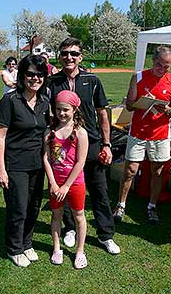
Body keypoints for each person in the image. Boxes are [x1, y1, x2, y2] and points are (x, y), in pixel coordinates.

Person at [49, 37, 120, 254]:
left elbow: (102, 114)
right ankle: (70, 228)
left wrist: (106, 144)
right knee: (67, 189)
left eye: (73, 54)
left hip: (91, 144)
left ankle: (105, 235)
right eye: (64, 53)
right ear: (59, 56)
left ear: (81, 57)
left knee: (99, 190)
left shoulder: (93, 80)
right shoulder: (52, 82)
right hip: (64, 147)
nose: (68, 57)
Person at [0, 54, 49, 267]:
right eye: (30, 74)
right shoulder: (10, 100)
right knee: (18, 207)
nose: (35, 78)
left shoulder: (44, 101)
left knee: (34, 206)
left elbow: (45, 132)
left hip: (38, 164)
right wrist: (1, 169)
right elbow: (0, 136)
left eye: (40, 75)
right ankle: (14, 248)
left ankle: (27, 243)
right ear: (22, 75)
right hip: (15, 164)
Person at [113, 46, 171, 224]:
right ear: (153, 61)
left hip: (161, 133)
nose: (163, 70)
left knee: (158, 171)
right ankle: (121, 205)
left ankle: (152, 206)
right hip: (138, 132)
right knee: (130, 170)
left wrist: (168, 109)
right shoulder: (138, 77)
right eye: (160, 65)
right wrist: (142, 103)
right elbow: (129, 105)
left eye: (167, 67)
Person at [43, 90, 88, 269]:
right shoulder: (49, 131)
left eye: (66, 110)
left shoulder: (80, 133)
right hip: (55, 183)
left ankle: (80, 251)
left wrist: (66, 186)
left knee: (79, 216)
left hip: (75, 183)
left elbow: (80, 161)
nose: (62, 113)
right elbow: (46, 158)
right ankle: (56, 248)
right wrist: (54, 184)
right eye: (58, 109)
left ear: (75, 110)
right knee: (56, 215)